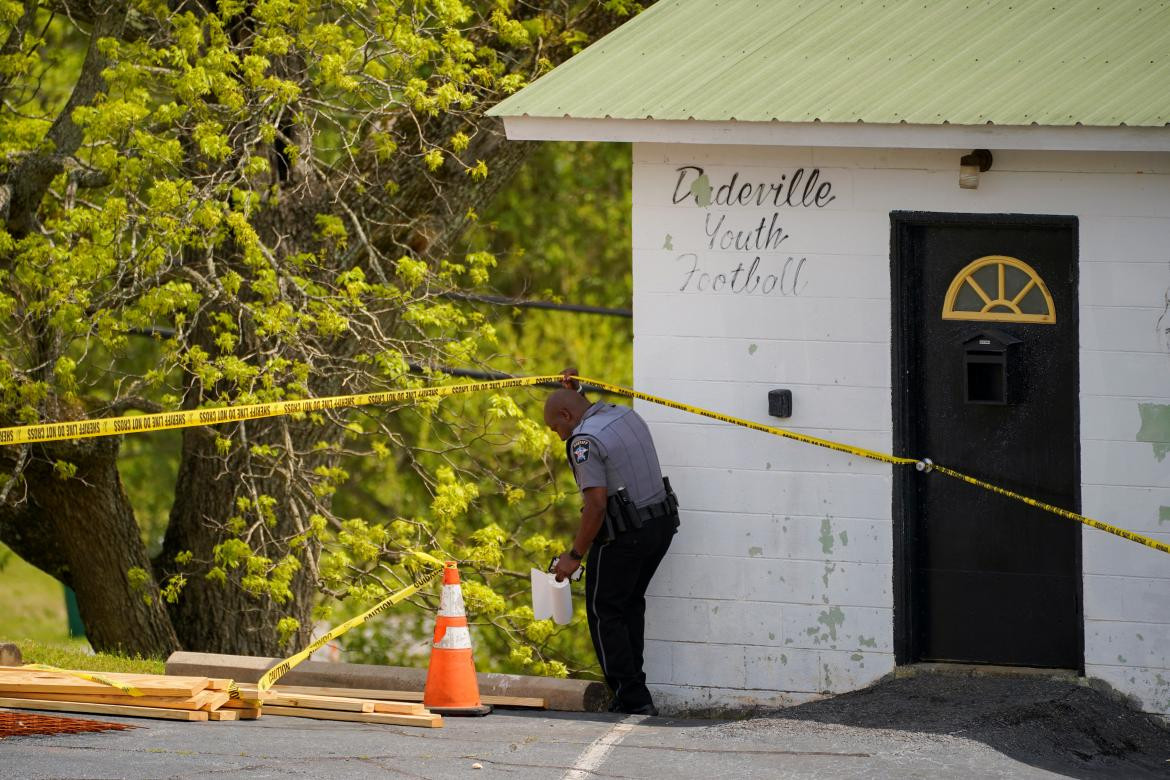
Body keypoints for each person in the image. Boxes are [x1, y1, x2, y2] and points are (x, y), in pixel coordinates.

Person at [544, 371, 679, 716]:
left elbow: (597, 505)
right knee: (630, 604)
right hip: (661, 526)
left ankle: (631, 698)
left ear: (566, 417)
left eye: (556, 428)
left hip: (625, 536)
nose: (559, 436)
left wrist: (575, 555)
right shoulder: (624, 414)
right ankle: (637, 693)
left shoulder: (583, 440)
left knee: (605, 612)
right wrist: (576, 389)